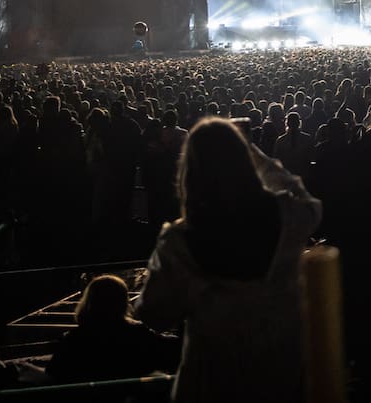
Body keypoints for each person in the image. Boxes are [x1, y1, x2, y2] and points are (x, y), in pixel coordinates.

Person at [134, 117, 321, 403]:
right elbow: (308, 202)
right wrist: (254, 154)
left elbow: (154, 315)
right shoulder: (286, 216)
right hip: (281, 373)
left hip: (212, 379)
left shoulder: (178, 241)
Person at [47, 274, 179, 383]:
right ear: (123, 302)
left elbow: (55, 374)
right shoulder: (138, 333)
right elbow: (167, 354)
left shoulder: (74, 339)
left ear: (88, 302)